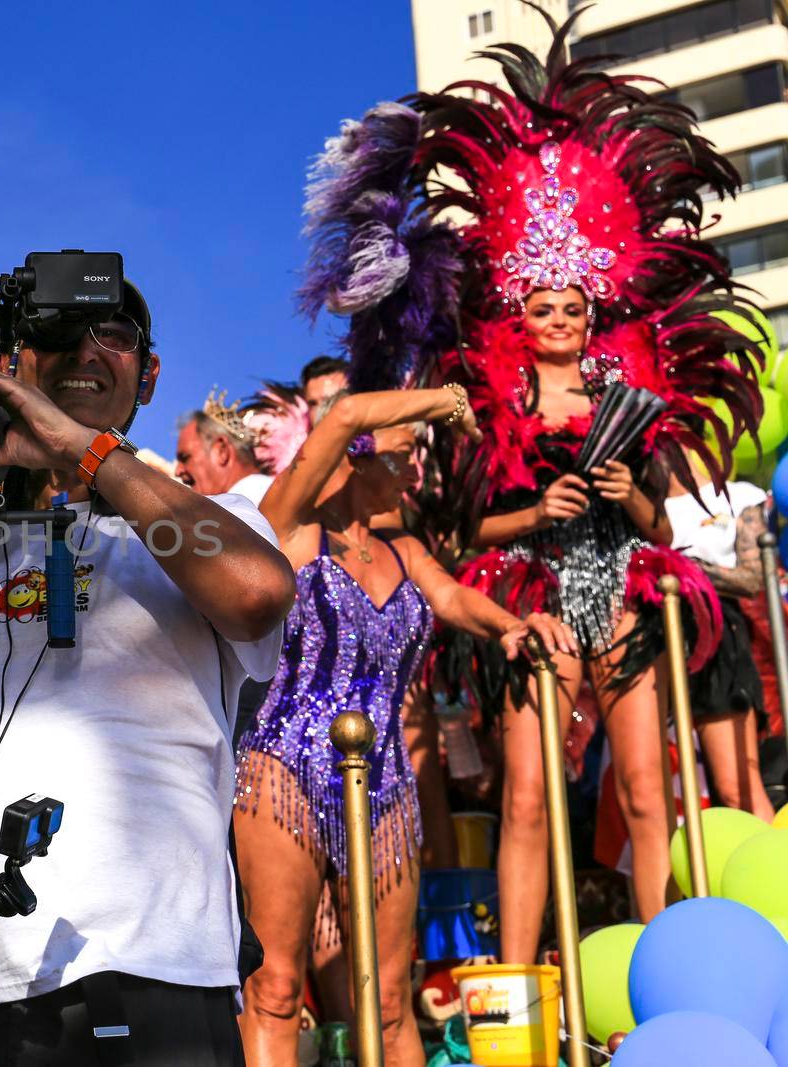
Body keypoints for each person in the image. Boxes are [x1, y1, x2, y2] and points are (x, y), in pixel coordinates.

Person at [296, 11, 756, 965]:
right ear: (523, 310)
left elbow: (657, 519)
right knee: (526, 794)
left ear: (592, 310)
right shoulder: (488, 396)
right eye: (542, 306)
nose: (557, 318)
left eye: (572, 306)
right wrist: (534, 512)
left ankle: (675, 957)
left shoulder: (628, 391)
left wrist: (626, 491)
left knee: (643, 788)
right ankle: (514, 973)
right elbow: (464, 533)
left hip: (622, 589)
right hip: (528, 592)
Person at [0, 283, 296, 1065]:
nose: (85, 348)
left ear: (152, 372)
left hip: (153, 974)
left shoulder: (217, 521)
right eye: (57, 329)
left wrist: (84, 451)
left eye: (113, 331)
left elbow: (258, 592)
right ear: (12, 362)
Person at [236, 388, 574, 1067]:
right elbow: (346, 415)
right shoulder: (294, 524)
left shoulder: (407, 549)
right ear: (354, 463)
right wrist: (447, 400)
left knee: (391, 997)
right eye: (401, 456)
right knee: (275, 985)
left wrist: (513, 626)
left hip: (386, 781)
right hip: (284, 768)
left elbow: (451, 598)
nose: (415, 471)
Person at [666, 456, 775, 819]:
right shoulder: (640, 507)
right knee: (656, 792)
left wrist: (682, 571)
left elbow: (754, 578)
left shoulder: (737, 497)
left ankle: (768, 873)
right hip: (653, 639)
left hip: (716, 638)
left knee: (737, 787)